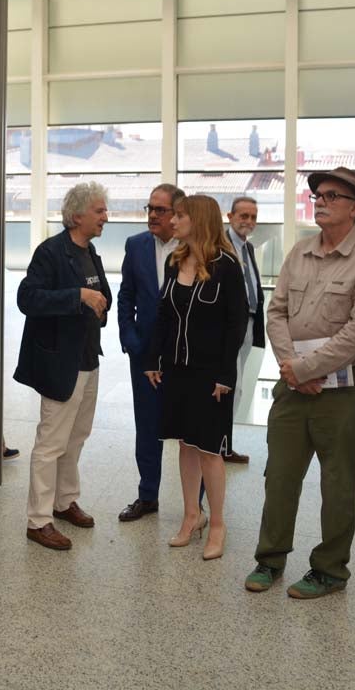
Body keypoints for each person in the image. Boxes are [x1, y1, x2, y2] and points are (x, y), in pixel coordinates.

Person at [245, 167, 355, 599]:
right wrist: (292, 366)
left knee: (338, 483)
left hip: (343, 390)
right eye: (317, 195)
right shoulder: (300, 252)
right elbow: (276, 312)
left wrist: (307, 369)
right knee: (280, 476)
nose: (320, 201)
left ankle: (329, 570)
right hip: (294, 385)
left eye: (331, 196)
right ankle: (270, 559)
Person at [143, 194, 246, 559]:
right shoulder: (175, 260)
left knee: (209, 450)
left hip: (210, 374)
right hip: (176, 370)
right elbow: (163, 314)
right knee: (185, 445)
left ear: (198, 220)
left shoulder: (226, 267)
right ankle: (192, 515)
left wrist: (225, 374)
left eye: (180, 215)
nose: (173, 221)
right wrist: (153, 358)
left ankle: (217, 523)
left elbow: (236, 324)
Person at [14, 181, 111, 550]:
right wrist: (78, 296)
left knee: (76, 437)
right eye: (99, 211)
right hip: (60, 362)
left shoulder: (91, 251)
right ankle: (38, 521)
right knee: (51, 443)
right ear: (77, 215)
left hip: (89, 358)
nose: (105, 217)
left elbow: (101, 295)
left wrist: (98, 303)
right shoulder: (51, 252)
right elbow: (27, 298)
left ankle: (64, 501)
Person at [116, 183, 184, 522]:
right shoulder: (136, 245)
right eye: (150, 208)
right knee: (147, 426)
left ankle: (195, 505)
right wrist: (130, 338)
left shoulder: (193, 246)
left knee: (190, 431)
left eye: (160, 210)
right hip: (144, 353)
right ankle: (147, 496)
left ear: (177, 213)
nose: (153, 215)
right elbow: (126, 295)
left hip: (184, 355)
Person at [224, 196, 263, 461]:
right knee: (231, 386)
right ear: (230, 217)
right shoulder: (221, 245)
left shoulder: (247, 247)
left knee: (236, 387)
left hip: (248, 323)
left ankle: (224, 443)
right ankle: (219, 445)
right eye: (243, 216)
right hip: (230, 327)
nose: (249, 221)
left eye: (253, 217)